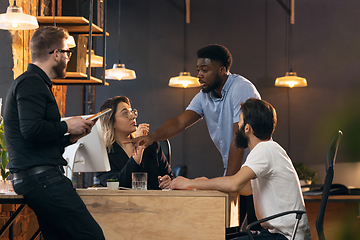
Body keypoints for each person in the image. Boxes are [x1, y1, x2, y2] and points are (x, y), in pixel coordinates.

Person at [3, 26, 105, 240]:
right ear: (56, 53)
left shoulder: (35, 83)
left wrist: (70, 137)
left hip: (39, 178)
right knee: (92, 236)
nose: (69, 57)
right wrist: (68, 126)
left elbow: (37, 138)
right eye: (68, 52)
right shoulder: (31, 83)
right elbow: (31, 130)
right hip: (42, 179)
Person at [170, 98, 311, 240]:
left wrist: (189, 183)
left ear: (247, 128)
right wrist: (205, 183)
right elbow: (247, 188)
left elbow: (234, 183)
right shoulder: (270, 149)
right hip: (280, 234)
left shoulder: (264, 149)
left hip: (286, 237)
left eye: (240, 121)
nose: (238, 125)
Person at [126, 44, 260, 176]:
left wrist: (231, 182)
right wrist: (150, 138)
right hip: (237, 171)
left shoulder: (241, 88)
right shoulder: (204, 96)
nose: (199, 75)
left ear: (222, 70)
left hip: (257, 170)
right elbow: (180, 122)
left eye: (205, 70)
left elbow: (239, 137)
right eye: (198, 70)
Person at [96, 96, 173, 189]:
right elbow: (117, 185)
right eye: (125, 113)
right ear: (111, 122)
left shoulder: (152, 145)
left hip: (154, 201)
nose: (133, 116)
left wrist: (168, 181)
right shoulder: (103, 153)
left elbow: (170, 178)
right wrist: (139, 150)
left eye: (132, 112)